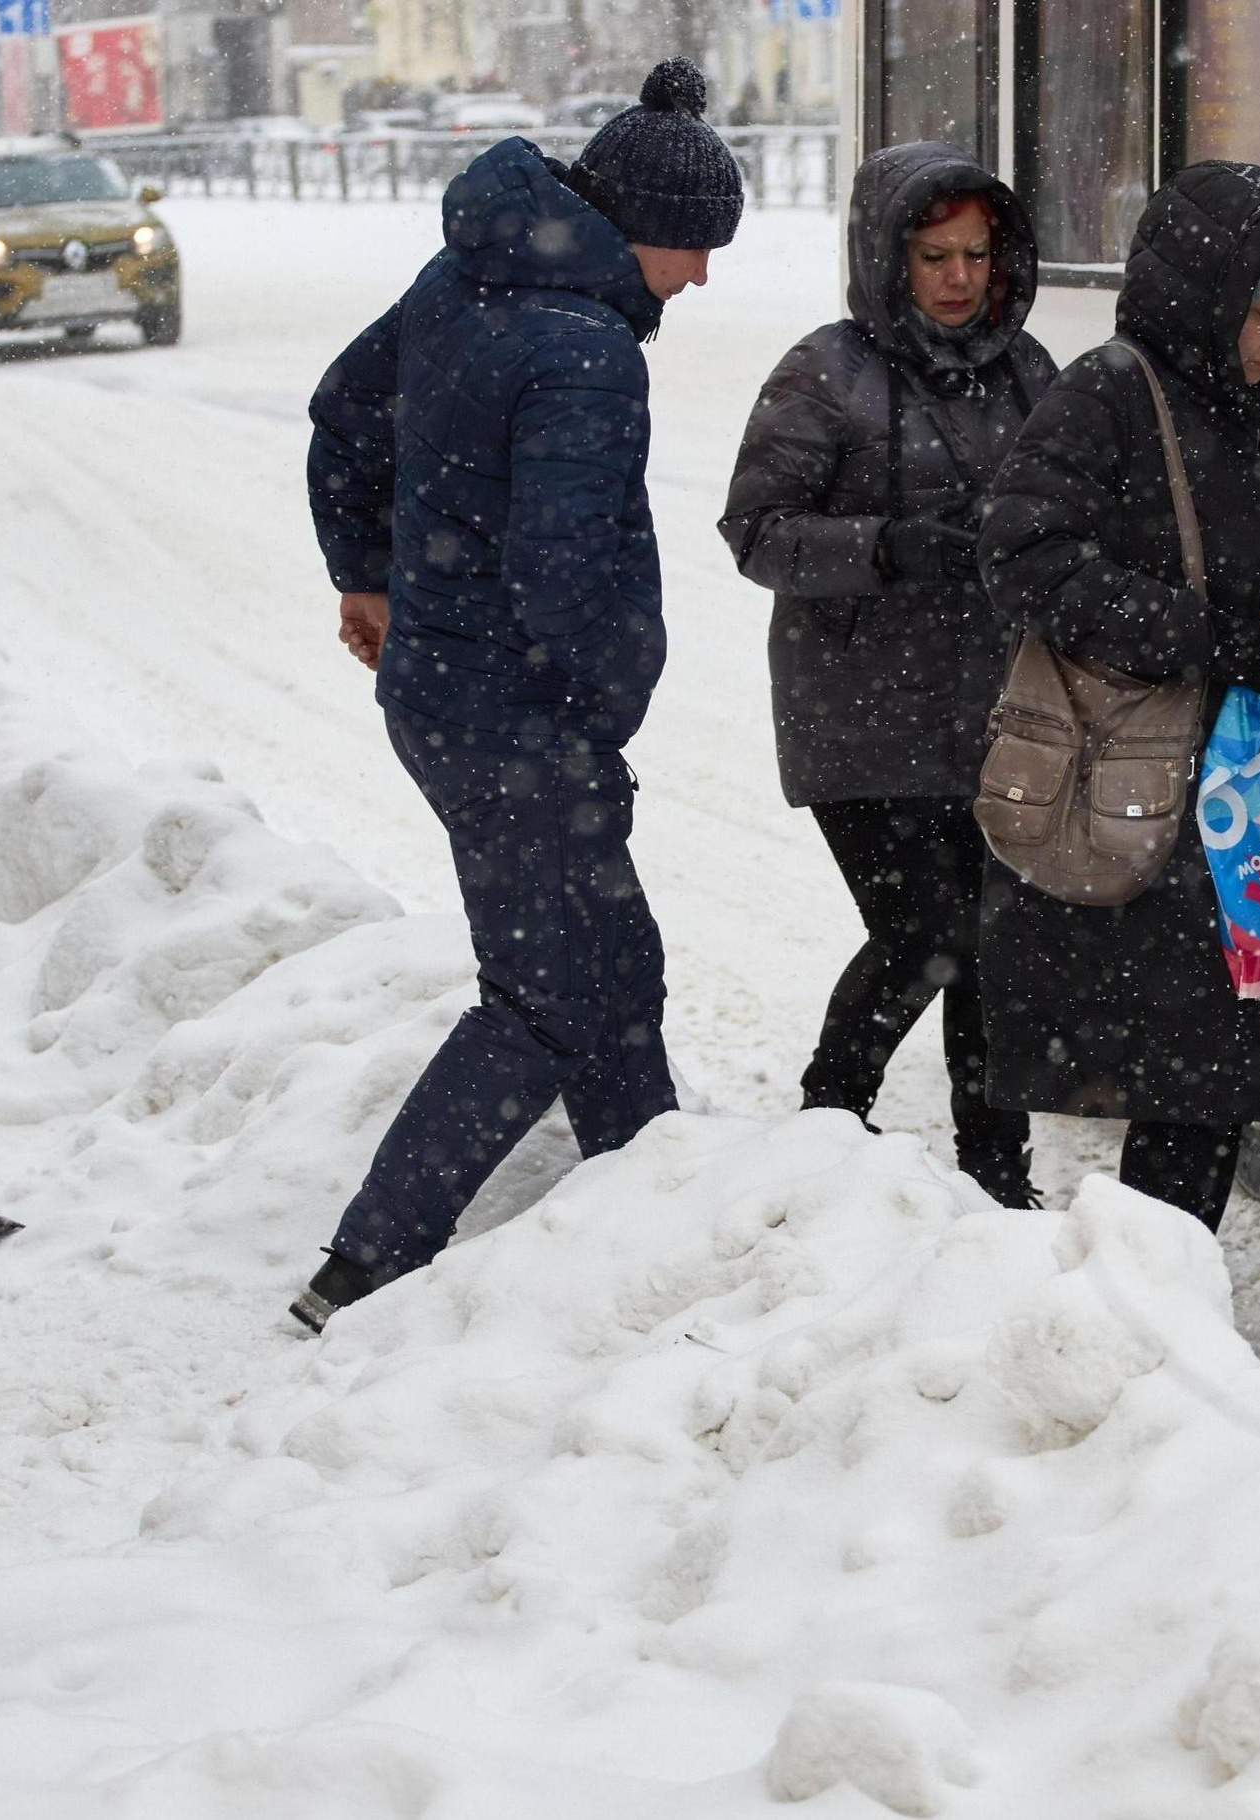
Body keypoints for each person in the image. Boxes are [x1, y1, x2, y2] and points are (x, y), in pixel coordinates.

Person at [292, 60, 744, 1333]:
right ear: (636, 226)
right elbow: (563, 576)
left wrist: (366, 574)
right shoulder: (587, 347)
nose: (700, 277)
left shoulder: (463, 278)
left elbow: (343, 411)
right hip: (521, 717)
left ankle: (644, 1215)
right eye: (695, 248)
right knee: (544, 990)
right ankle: (363, 1268)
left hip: (445, 690)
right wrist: (602, 705)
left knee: (609, 959)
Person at [973, 162, 1260, 1231]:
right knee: (1184, 1079)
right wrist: (1201, 637)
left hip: (1228, 806)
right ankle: (1143, 1306)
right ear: (1203, 301)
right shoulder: (1108, 393)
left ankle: (1157, 1302)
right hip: (1143, 793)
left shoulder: (1247, 423)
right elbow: (1022, 549)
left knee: (1212, 1081)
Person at [719, 143, 1057, 1208]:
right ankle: (827, 1119)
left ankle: (997, 1177)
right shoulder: (825, 371)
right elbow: (757, 532)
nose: (960, 278)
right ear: (885, 257)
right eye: (933, 255)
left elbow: (1071, 505)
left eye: (975, 254)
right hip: (859, 719)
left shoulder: (1026, 370)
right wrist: (889, 543)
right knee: (930, 933)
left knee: (996, 949)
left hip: (995, 716)